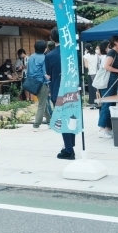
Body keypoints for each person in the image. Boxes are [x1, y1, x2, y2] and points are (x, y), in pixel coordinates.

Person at [45, 28, 75, 160]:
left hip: (58, 90)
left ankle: (68, 149)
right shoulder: (71, 53)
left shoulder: (49, 56)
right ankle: (70, 145)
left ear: (51, 39)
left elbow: (48, 75)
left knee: (63, 119)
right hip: (72, 89)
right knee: (72, 117)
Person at [98, 35, 118, 139]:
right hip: (109, 81)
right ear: (116, 42)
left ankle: (108, 128)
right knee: (107, 103)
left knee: (112, 103)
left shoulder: (117, 53)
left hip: (114, 80)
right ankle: (101, 129)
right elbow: (106, 66)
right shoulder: (112, 53)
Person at [25, 40, 51, 131]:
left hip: (32, 83)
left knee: (44, 102)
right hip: (41, 83)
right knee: (42, 104)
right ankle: (36, 124)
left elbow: (27, 71)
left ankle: (49, 121)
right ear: (45, 49)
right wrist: (48, 83)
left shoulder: (30, 57)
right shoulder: (44, 58)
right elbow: (45, 73)